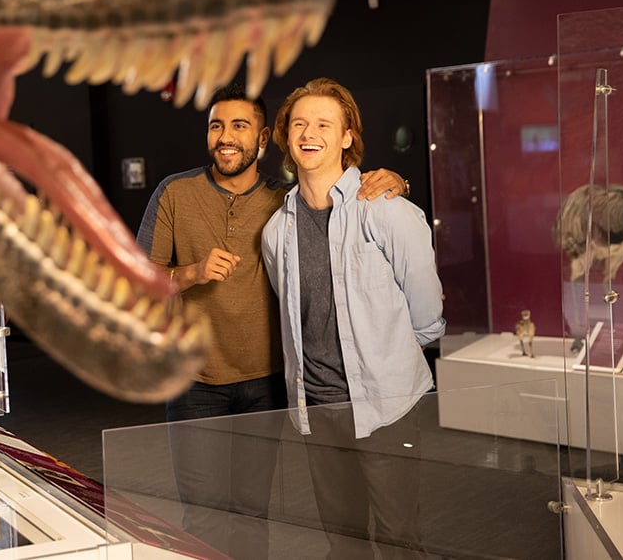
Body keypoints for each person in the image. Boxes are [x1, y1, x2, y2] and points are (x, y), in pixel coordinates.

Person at [137, 82, 407, 559]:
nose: (225, 136)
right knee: (201, 514)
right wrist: (191, 273)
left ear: (262, 140)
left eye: (239, 126)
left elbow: (344, 196)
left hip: (266, 385)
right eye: (216, 125)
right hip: (194, 382)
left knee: (250, 511)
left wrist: (396, 181)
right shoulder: (174, 193)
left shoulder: (286, 202)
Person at [261, 77, 445, 558]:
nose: (309, 132)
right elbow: (295, 313)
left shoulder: (388, 211)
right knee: (341, 543)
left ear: (347, 137)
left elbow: (428, 316)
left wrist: (389, 360)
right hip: (317, 408)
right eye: (298, 123)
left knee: (399, 540)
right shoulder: (276, 231)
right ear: (285, 135)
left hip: (385, 406)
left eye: (324, 123)